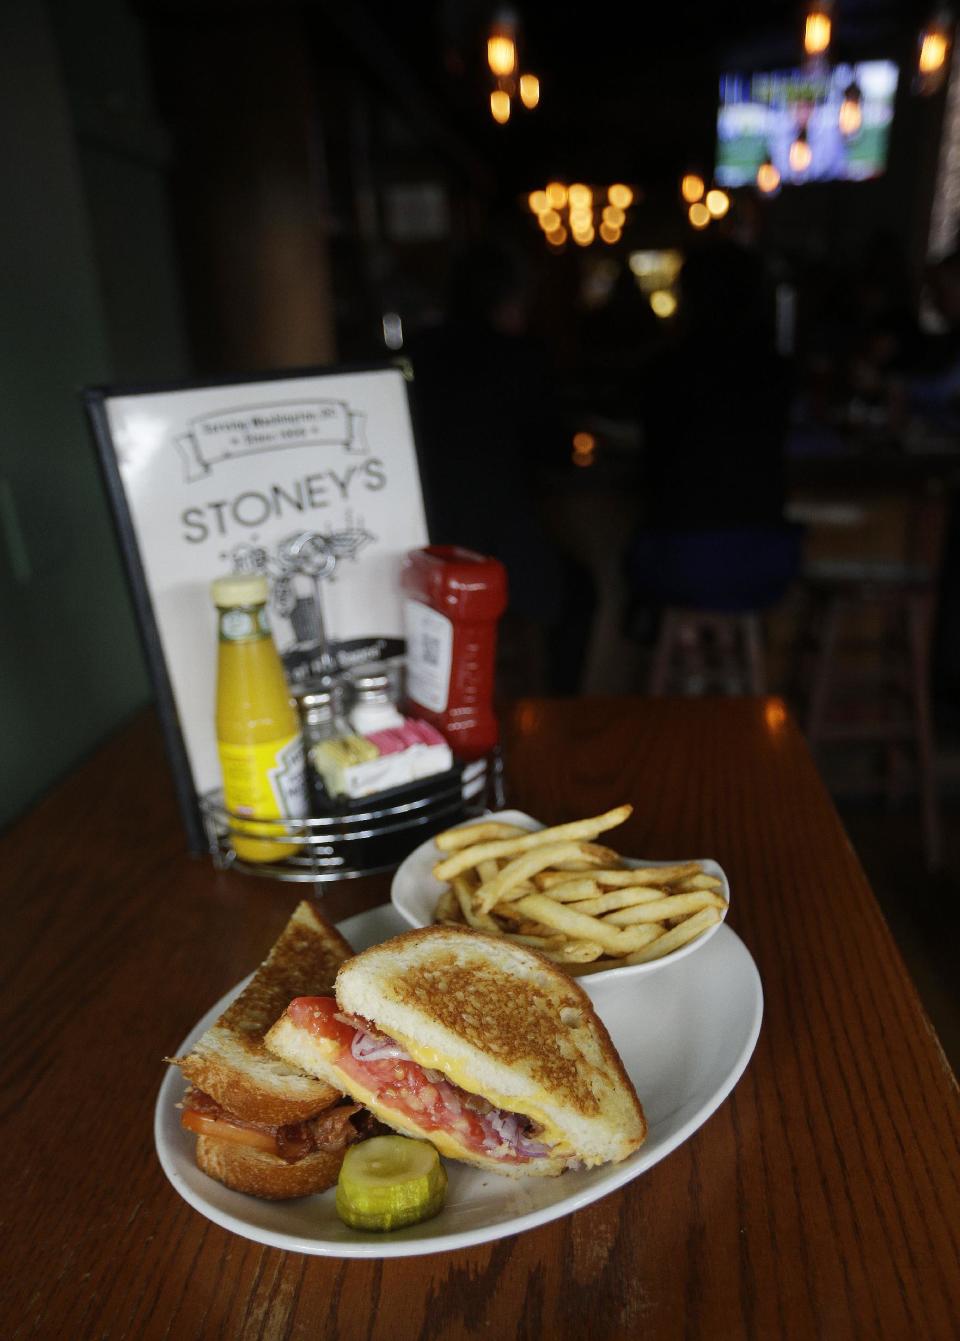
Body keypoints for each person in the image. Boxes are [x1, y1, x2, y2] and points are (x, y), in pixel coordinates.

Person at [406, 240, 570, 693]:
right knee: (574, 594)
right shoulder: (523, 357)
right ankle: (553, 708)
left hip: (426, 544)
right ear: (510, 298)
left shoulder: (418, 353)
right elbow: (554, 454)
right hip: (502, 547)